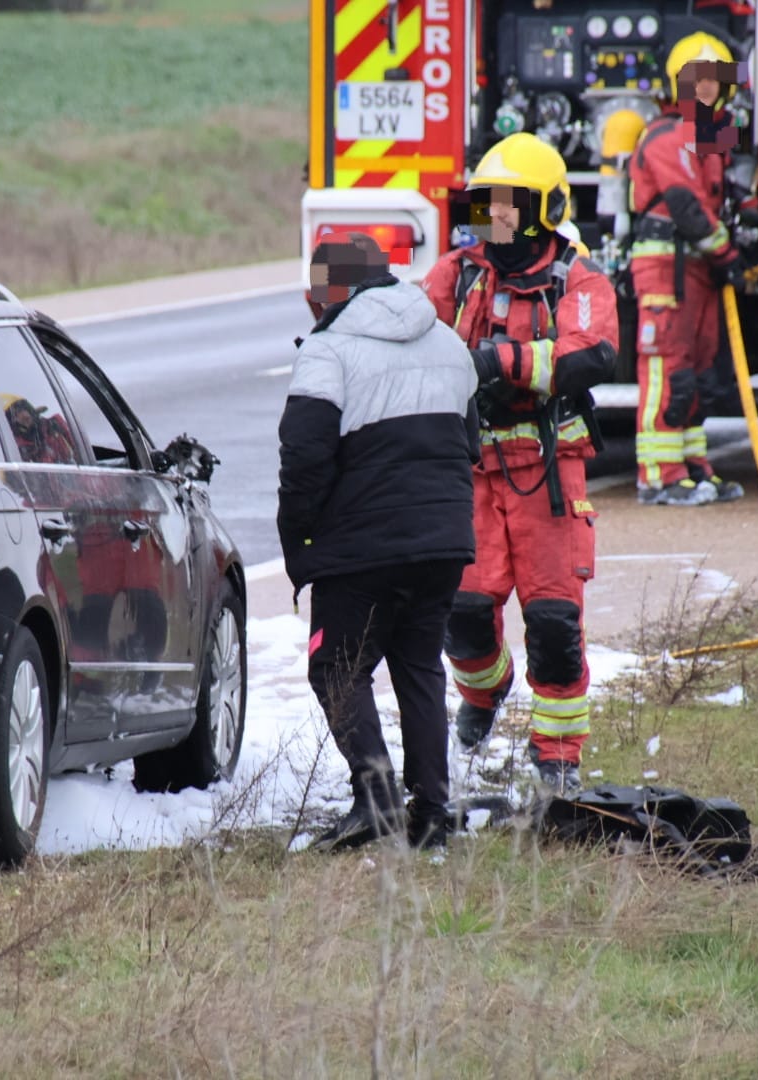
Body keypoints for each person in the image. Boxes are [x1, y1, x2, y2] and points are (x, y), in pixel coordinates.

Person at [421, 132, 620, 797]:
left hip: (548, 473)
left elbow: (590, 354)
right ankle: (484, 693)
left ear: (540, 208)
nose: (492, 217)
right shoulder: (458, 271)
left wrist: (498, 362)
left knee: (555, 623)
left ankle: (558, 755)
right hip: (471, 469)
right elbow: (415, 329)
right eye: (484, 204)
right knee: (464, 611)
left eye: (507, 204)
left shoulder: (576, 276)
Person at [278, 232, 479, 851]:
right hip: (443, 542)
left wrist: (300, 548)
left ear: (331, 292)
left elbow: (304, 462)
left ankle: (375, 799)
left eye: (316, 294)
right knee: (419, 667)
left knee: (336, 667)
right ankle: (434, 814)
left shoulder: (327, 352)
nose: (312, 307)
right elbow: (470, 444)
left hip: (362, 547)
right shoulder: (449, 341)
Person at [627, 32, 749, 506]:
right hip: (667, 265)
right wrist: (728, 255)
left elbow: (727, 196)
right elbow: (686, 204)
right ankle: (658, 474)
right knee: (667, 367)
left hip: (698, 268)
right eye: (693, 79)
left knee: (699, 369)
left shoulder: (713, 139)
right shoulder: (663, 135)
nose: (703, 88)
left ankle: (694, 465)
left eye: (712, 79)